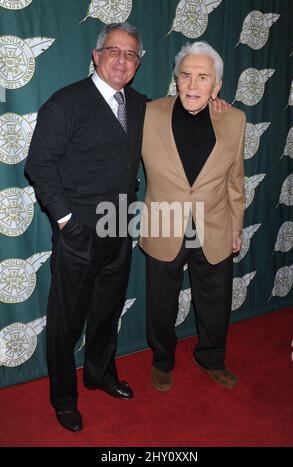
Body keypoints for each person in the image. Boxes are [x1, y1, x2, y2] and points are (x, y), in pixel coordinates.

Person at [25, 22, 147, 432]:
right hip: (78, 231)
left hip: (119, 225)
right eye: (114, 50)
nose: (122, 60)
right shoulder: (67, 103)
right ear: (96, 56)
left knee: (107, 308)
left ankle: (100, 373)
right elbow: (39, 166)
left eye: (131, 55)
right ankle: (63, 396)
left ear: (137, 64)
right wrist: (66, 222)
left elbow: (181, 114)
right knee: (67, 319)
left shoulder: (141, 104)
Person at [139, 41, 246, 392]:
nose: (193, 85)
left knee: (216, 300)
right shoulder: (149, 113)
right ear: (176, 79)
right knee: (161, 302)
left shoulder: (234, 118)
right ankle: (162, 360)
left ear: (216, 86)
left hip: (214, 225)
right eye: (186, 75)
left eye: (203, 78)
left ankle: (211, 357)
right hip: (163, 223)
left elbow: (235, 180)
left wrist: (236, 226)